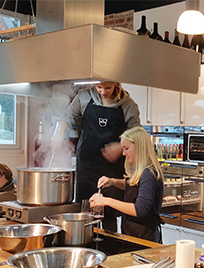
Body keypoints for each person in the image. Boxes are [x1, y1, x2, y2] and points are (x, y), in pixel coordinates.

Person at [54, 81, 141, 231]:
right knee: (85, 213)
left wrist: (120, 146)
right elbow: (67, 116)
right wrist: (59, 133)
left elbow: (137, 135)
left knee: (108, 216)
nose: (103, 91)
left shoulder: (128, 105)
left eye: (107, 88)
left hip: (112, 170)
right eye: (98, 87)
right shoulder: (84, 97)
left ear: (116, 84)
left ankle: (109, 250)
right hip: (86, 166)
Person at [89, 127, 164, 242]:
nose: (123, 153)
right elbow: (133, 185)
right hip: (133, 233)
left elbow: (140, 210)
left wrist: (106, 201)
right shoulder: (142, 171)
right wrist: (112, 181)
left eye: (127, 148)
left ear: (139, 148)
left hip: (145, 236)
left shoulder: (149, 174)